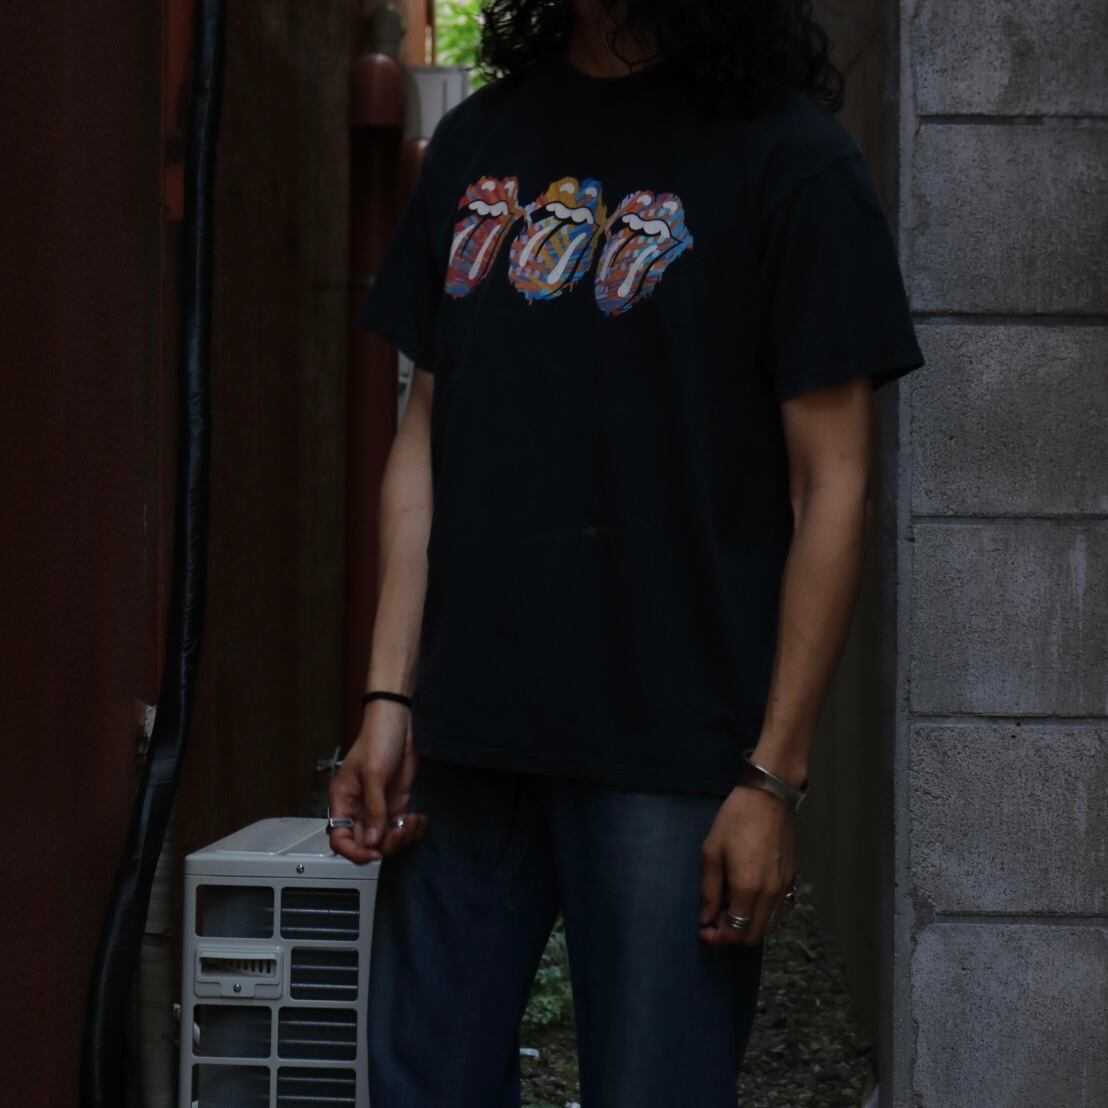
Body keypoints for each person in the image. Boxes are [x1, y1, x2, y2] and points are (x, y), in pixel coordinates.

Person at [329, 1, 925, 1104]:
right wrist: (387, 694)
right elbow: (424, 436)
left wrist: (773, 776)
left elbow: (833, 486)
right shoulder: (477, 141)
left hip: (673, 758)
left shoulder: (791, 160)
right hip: (465, 747)